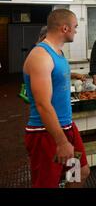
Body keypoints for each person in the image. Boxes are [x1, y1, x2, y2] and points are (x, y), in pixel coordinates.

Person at [23, 9, 90, 188]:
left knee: (78, 174)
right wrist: (61, 142)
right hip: (46, 133)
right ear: (65, 28)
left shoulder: (58, 53)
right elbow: (43, 104)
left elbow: (57, 79)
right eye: (75, 27)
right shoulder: (40, 56)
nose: (76, 30)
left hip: (67, 127)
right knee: (47, 184)